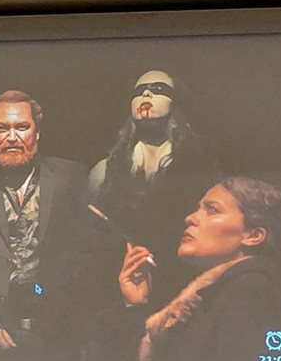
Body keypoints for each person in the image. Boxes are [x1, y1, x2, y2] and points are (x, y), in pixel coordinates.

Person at [0, 90, 92, 361]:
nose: (12, 137)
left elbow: (86, 255)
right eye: (2, 128)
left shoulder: (72, 178)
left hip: (61, 339)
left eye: (22, 127)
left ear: (37, 132)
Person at [114, 176, 281, 361]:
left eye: (212, 209)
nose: (190, 218)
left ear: (253, 236)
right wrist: (135, 304)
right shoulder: (212, 296)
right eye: (198, 208)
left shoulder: (251, 292)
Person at [88, 69, 213, 304]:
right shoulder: (105, 172)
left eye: (158, 89)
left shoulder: (198, 169)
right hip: (117, 284)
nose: (146, 94)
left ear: (175, 102)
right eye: (139, 91)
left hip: (181, 284)